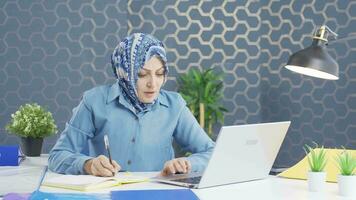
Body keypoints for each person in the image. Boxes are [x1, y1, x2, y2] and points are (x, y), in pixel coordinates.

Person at [48, 33, 215, 177]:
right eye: (142, 74)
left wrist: (187, 163)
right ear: (125, 73)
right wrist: (89, 164)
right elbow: (58, 156)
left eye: (159, 74)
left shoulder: (175, 106)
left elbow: (212, 152)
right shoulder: (94, 101)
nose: (153, 84)